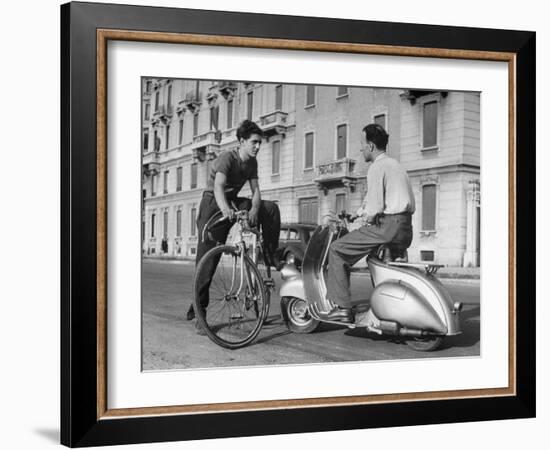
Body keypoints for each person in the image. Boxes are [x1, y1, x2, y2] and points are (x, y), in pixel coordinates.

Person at [187, 119, 281, 328]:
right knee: (207, 264)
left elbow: (256, 191)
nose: (257, 146)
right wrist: (226, 210)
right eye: (254, 142)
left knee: (270, 209)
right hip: (212, 205)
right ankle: (199, 314)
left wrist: (255, 209)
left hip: (231, 202)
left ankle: (270, 254)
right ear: (241, 141)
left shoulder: (252, 163)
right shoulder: (226, 158)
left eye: (259, 143)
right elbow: (219, 187)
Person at [324, 123, 415, 322]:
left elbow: (374, 208)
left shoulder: (376, 167)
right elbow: (379, 201)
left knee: (338, 250)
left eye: (362, 144)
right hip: (406, 228)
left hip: (388, 227)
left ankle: (342, 308)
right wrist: (357, 214)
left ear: (371, 146)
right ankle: (384, 309)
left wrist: (359, 221)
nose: (360, 148)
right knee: (374, 258)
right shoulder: (396, 165)